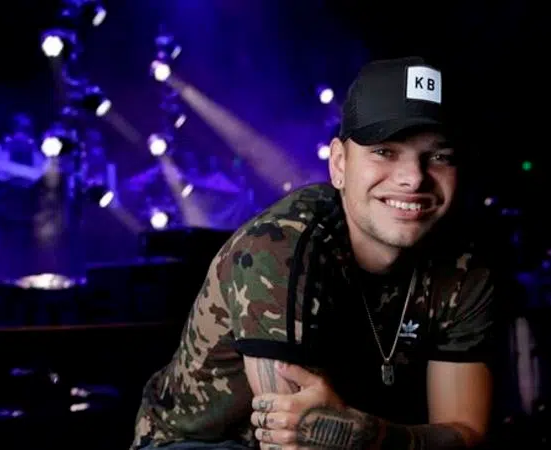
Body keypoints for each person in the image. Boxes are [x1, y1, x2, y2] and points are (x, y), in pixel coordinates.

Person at [132, 56, 497, 449]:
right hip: (201, 443)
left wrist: (374, 437)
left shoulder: (463, 268)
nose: (413, 178)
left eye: (440, 156)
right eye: (385, 151)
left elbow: (465, 434)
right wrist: (366, 438)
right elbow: (296, 440)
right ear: (339, 164)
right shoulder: (279, 248)